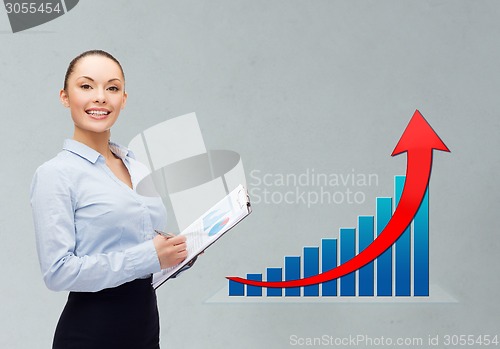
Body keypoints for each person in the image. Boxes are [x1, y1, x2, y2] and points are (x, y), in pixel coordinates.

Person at [30, 50, 187, 349]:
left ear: (123, 99)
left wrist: (177, 254)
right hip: (91, 333)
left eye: (112, 88)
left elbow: (138, 255)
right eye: (86, 86)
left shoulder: (135, 165)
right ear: (65, 97)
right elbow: (58, 272)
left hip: (144, 328)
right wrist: (150, 256)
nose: (100, 97)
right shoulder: (56, 174)